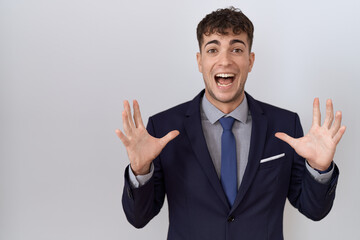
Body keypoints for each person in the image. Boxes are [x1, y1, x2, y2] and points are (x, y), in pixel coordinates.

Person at [115, 7, 346, 240]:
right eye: (213, 49)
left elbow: (314, 210)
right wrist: (140, 171)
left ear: (250, 60)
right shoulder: (163, 128)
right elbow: (138, 218)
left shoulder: (285, 125)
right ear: (200, 61)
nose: (224, 60)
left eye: (236, 49)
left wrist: (319, 168)